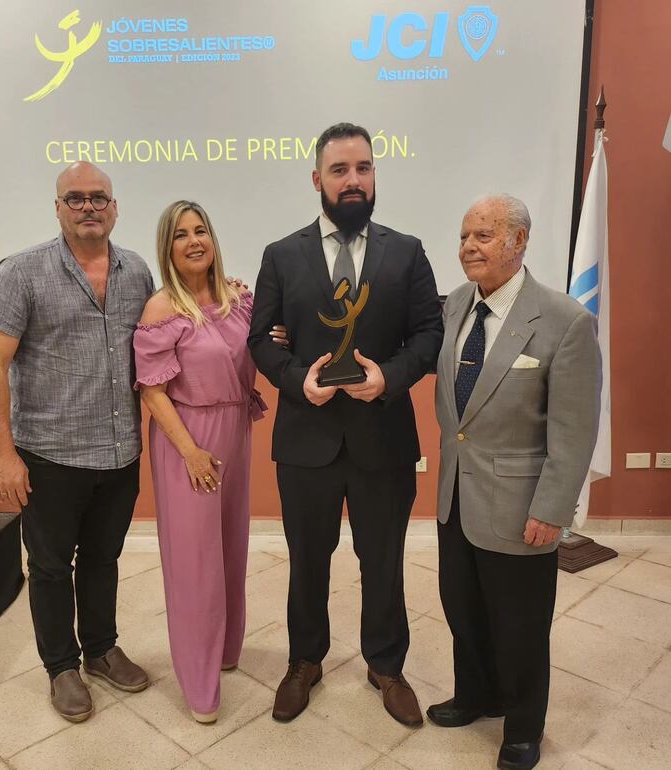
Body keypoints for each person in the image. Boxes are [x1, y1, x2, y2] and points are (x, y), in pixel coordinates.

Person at [248, 122, 444, 726]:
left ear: (374, 175)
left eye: (363, 167)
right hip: (306, 436)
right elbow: (261, 339)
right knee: (308, 557)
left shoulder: (407, 251)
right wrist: (294, 379)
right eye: (340, 170)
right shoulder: (281, 255)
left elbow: (429, 334)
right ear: (318, 180)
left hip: (382, 435)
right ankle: (304, 661)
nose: (353, 180)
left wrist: (389, 377)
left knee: (382, 557)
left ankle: (386, 664)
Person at [428, 194, 601, 770]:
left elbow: (574, 432)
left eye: (483, 235)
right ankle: (478, 694)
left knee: (521, 625)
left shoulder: (565, 320)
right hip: (456, 495)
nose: (468, 248)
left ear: (518, 241)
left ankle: (524, 726)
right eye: (464, 237)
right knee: (463, 608)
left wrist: (552, 507)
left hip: (522, 502)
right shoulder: (454, 305)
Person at [0, 162, 151, 722]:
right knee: (50, 567)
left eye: (98, 197)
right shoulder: (20, 273)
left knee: (103, 557)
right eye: (75, 198)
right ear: (57, 208)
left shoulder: (138, 272)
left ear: (115, 207)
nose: (88, 207)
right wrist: (3, 455)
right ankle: (61, 668)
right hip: (49, 457)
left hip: (121, 453)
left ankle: (100, 649)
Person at [133, 200, 268, 724]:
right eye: (181, 234)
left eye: (201, 230)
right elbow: (152, 389)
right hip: (186, 439)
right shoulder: (161, 308)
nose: (194, 241)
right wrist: (189, 450)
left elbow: (260, 346)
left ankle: (226, 650)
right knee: (195, 566)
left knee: (231, 547)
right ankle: (199, 684)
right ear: (167, 247)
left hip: (235, 431)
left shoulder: (238, 297)